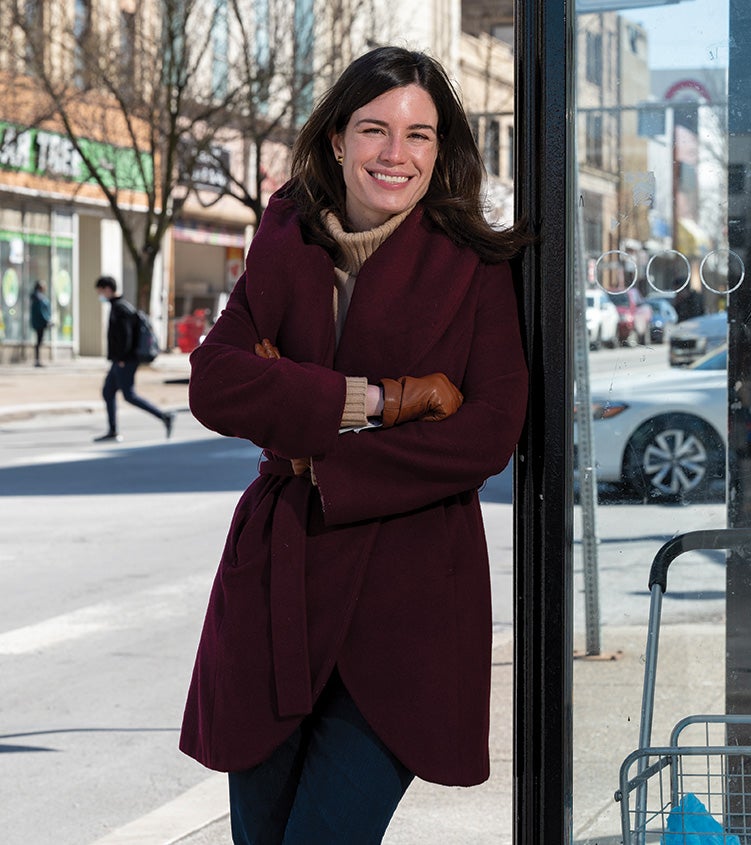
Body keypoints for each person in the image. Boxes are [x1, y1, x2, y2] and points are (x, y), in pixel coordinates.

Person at [178, 46, 531, 843]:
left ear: (442, 151)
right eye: (375, 129)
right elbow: (215, 382)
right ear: (338, 137)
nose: (394, 155)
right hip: (279, 587)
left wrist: (316, 442)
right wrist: (380, 400)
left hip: (405, 604)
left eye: (419, 135)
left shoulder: (476, 262)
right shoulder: (285, 233)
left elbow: (485, 432)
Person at [93, 276, 175, 442]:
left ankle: (164, 416)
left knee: (129, 395)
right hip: (120, 360)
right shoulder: (118, 307)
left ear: (107, 289)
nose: (100, 295)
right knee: (108, 392)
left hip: (125, 360)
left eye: (100, 291)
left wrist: (122, 357)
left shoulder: (121, 308)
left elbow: (126, 336)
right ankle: (113, 430)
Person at [29, 281, 51, 367]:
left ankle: (37, 360)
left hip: (39, 322)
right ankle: (37, 360)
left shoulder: (37, 297)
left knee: (39, 341)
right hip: (39, 323)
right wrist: (47, 320)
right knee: (38, 341)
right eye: (43, 286)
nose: (45, 287)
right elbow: (41, 312)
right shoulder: (38, 298)